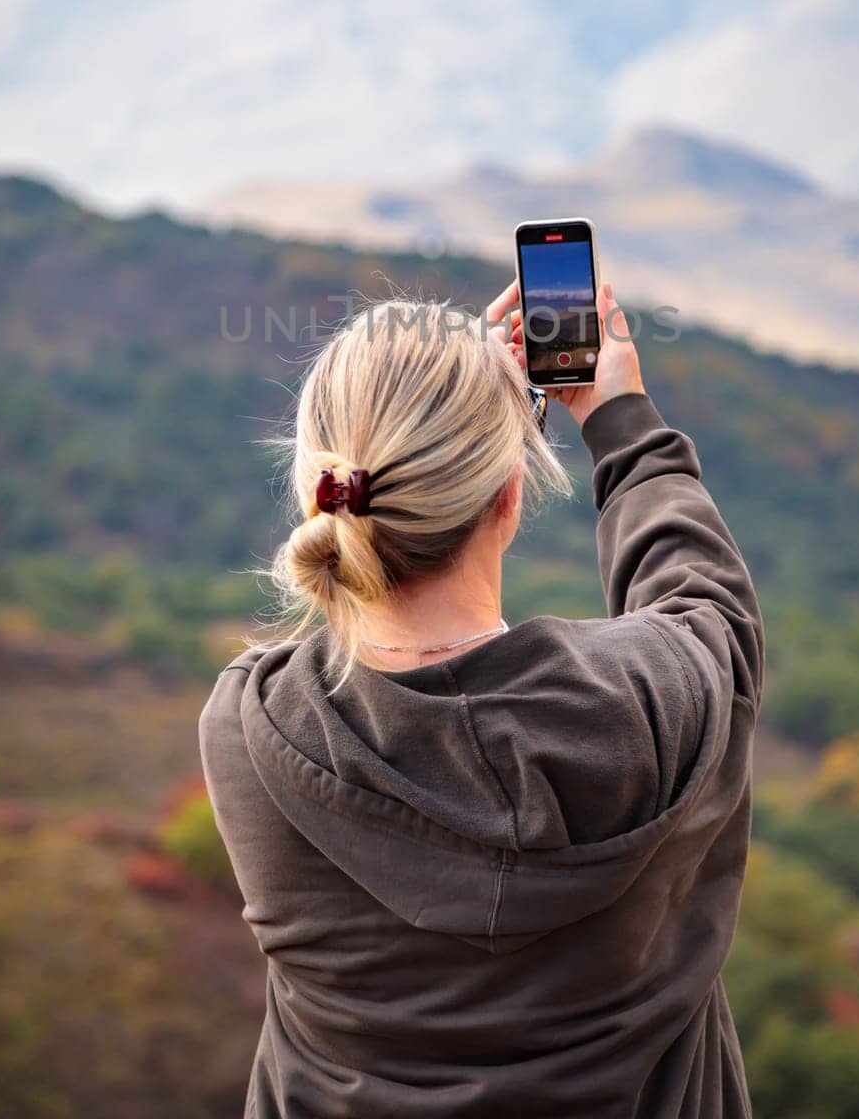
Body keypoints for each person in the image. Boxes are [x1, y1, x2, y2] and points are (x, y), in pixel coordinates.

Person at [198, 275, 765, 1119]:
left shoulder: (253, 730)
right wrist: (618, 419)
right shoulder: (652, 706)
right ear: (509, 494)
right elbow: (710, 605)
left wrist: (487, 442)